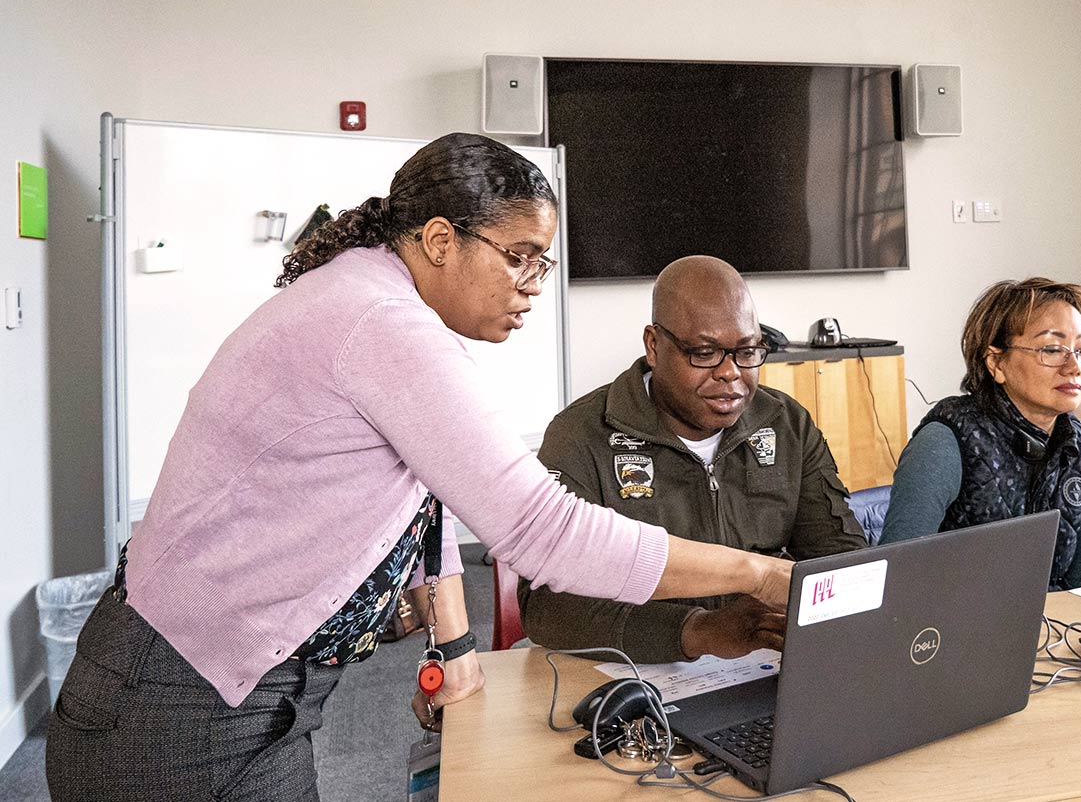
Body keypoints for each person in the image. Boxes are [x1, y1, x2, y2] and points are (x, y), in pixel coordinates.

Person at [46, 135, 792, 802]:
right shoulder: (383, 324)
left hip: (238, 695)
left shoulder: (375, 299)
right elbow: (543, 531)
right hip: (179, 704)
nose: (534, 282)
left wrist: (453, 642)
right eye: (519, 256)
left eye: (544, 260)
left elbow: (424, 494)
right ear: (441, 239)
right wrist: (756, 573)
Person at [517, 256, 867, 663]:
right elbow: (545, 609)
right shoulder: (582, 436)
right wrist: (693, 631)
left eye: (747, 351)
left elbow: (843, 563)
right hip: (633, 674)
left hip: (765, 667)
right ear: (653, 345)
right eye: (704, 353)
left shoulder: (786, 424)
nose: (730, 373)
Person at [878, 277, 1081, 589]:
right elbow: (896, 580)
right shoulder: (943, 447)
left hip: (1055, 631)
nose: (1074, 366)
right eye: (1052, 349)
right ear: (996, 363)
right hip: (951, 630)